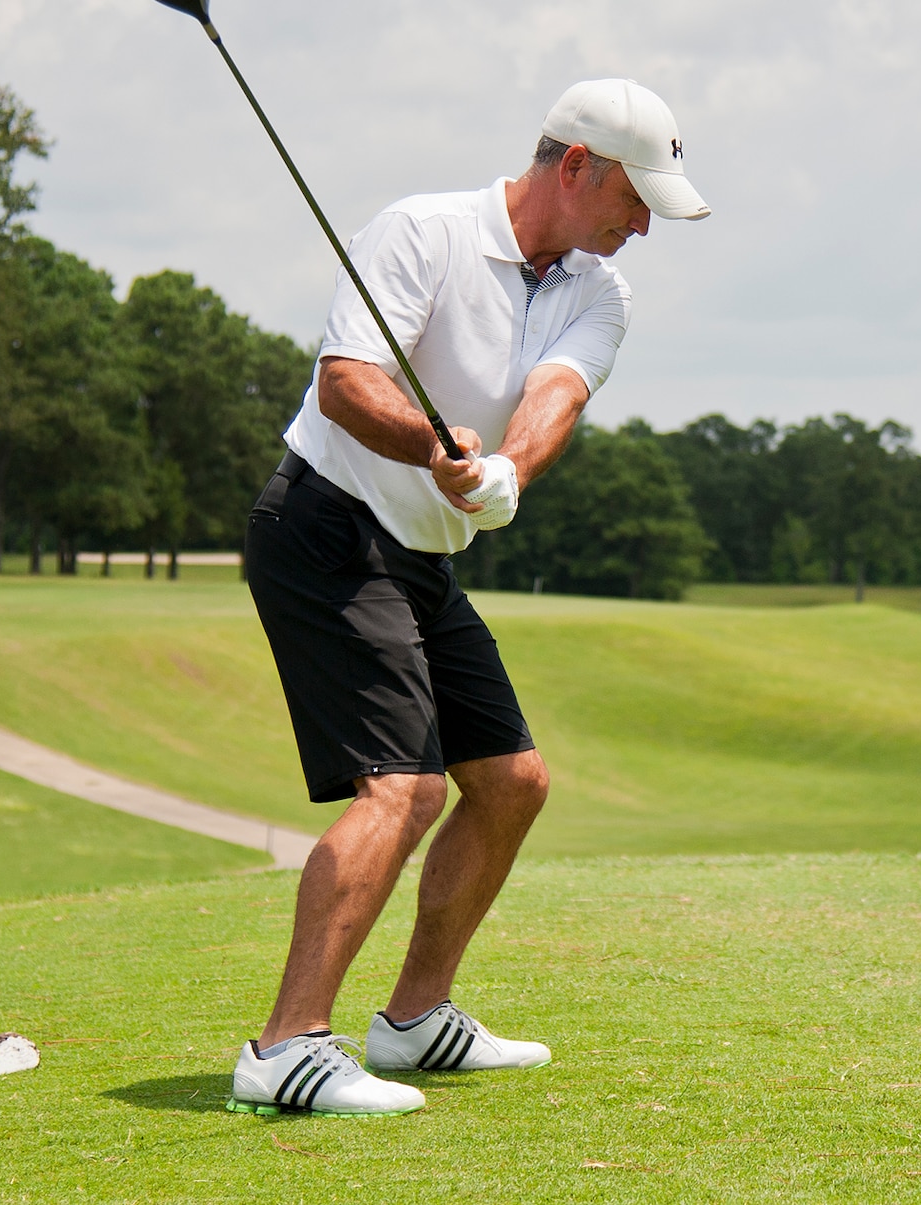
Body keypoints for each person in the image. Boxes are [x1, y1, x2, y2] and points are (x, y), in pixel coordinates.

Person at [228, 79, 709, 1117]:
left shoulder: (598, 288)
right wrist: (432, 442)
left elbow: (555, 395)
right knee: (403, 789)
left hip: (416, 552)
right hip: (323, 525)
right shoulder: (423, 231)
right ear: (575, 165)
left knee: (512, 780)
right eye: (634, 199)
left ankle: (410, 1022)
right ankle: (284, 1047)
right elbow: (346, 383)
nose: (640, 225)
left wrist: (506, 474)